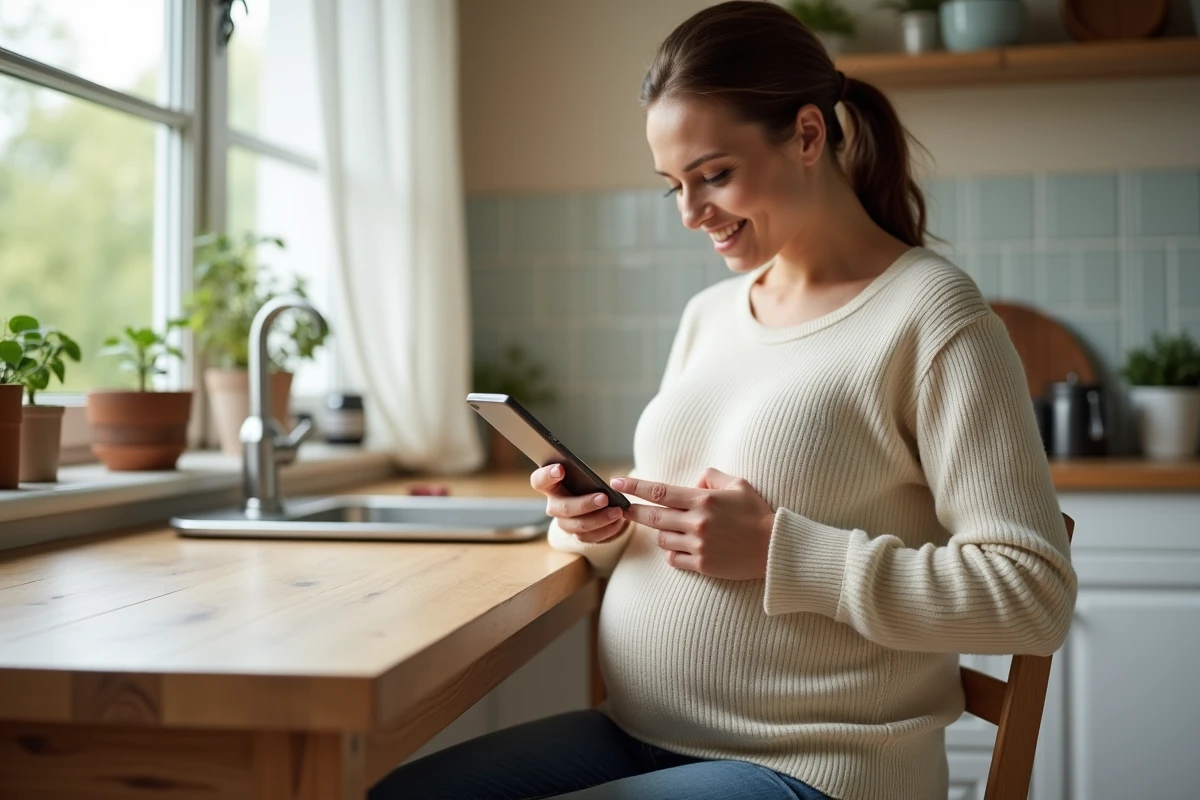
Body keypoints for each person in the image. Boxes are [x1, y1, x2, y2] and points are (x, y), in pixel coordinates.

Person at [370, 2, 1077, 798]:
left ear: (808, 135)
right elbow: (679, 537)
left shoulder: (932, 317)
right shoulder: (709, 315)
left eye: (714, 175)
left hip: (819, 770)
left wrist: (785, 553)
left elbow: (1033, 596)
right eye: (673, 184)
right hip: (636, 735)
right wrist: (595, 527)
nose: (690, 212)